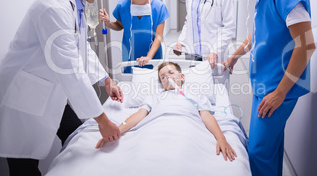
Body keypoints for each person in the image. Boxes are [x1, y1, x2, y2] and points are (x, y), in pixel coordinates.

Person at [0, 0, 123, 176]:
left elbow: (81, 48)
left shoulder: (75, 5)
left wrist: (106, 79)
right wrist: (102, 119)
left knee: (79, 137)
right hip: (23, 99)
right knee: (25, 173)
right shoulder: (53, 7)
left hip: (49, 93)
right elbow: (69, 66)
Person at [223, 0, 316, 176]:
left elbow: (306, 45)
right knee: (270, 149)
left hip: (278, 86)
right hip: (265, 82)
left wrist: (280, 92)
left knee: (258, 153)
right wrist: (236, 55)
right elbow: (259, 32)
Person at [96, 61, 237, 162]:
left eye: (171, 73)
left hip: (187, 127)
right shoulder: (155, 96)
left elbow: (207, 117)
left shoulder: (195, 94)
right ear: (161, 83)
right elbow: (138, 116)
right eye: (163, 76)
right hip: (156, 127)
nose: (167, 77)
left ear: (182, 76)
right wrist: (116, 130)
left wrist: (221, 139)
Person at [100, 0, 170, 72]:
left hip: (153, 58)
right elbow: (119, 25)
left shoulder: (159, 7)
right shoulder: (123, 6)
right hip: (130, 57)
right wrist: (109, 23)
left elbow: (158, 37)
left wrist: (148, 58)